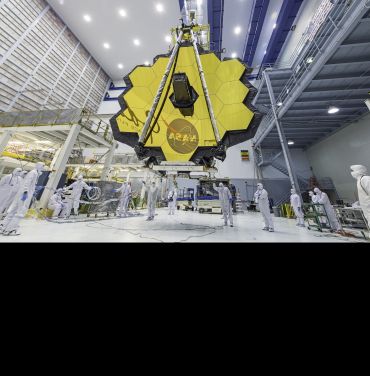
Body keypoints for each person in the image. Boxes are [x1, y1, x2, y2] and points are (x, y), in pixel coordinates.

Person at [0, 162, 44, 236]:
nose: (43, 168)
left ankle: (3, 227)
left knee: (13, 211)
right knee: (20, 212)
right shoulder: (33, 173)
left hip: (21, 194)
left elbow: (29, 184)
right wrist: (25, 193)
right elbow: (27, 183)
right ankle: (11, 230)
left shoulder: (34, 173)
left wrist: (33, 189)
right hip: (24, 196)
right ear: (39, 166)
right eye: (42, 166)